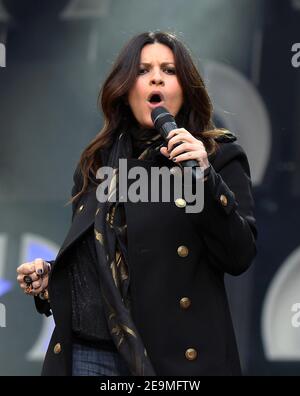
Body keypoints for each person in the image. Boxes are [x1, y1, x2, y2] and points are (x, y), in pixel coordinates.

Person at [16, 31, 257, 376]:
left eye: (169, 70)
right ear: (126, 90)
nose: (156, 77)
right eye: (143, 70)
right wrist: (51, 277)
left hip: (168, 354)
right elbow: (103, 258)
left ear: (185, 89)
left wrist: (204, 178)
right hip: (91, 348)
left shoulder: (218, 158)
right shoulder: (97, 163)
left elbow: (239, 255)